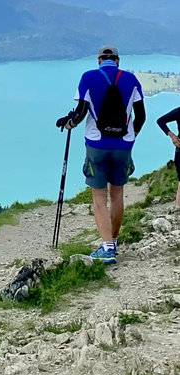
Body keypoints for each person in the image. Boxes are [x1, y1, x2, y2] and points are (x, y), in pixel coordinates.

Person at [56, 47, 144, 263]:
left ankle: (106, 249)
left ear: (98, 60)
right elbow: (141, 115)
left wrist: (69, 123)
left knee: (98, 199)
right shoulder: (131, 79)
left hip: (96, 144)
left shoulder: (88, 77)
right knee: (117, 195)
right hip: (124, 145)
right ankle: (112, 242)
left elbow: (82, 110)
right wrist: (130, 136)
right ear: (117, 60)